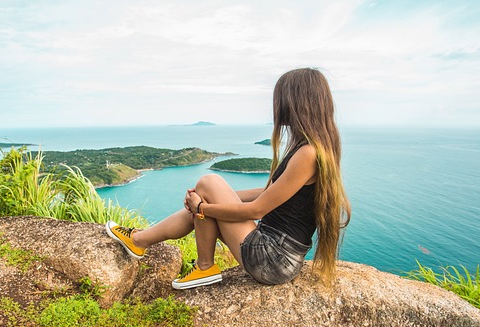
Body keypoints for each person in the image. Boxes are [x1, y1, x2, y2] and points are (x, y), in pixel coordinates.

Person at [106, 68, 351, 290]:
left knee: (208, 183)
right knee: (207, 189)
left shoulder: (308, 153)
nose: (276, 105)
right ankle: (138, 240)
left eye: (280, 99)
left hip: (274, 259)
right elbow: (268, 193)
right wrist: (209, 200)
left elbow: (258, 209)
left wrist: (203, 206)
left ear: (296, 102)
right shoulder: (311, 147)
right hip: (275, 252)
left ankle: (204, 267)